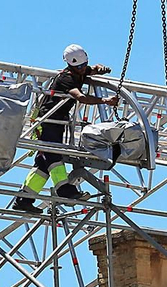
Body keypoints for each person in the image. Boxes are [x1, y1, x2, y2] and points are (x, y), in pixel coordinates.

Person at [10, 44, 119, 213]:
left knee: (43, 164)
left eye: (85, 66)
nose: (83, 70)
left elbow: (91, 69)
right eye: (80, 67)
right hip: (49, 120)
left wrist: (100, 69)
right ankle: (64, 190)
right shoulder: (66, 78)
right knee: (53, 154)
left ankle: (24, 199)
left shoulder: (80, 70)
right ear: (71, 65)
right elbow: (80, 97)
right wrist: (105, 101)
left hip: (56, 120)